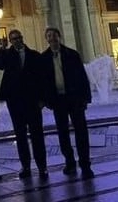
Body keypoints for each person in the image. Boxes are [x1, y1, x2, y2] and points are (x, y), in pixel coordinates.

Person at [0, 29, 48, 180]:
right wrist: (2, 48)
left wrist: (43, 99)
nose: (16, 41)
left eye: (18, 38)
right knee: (20, 135)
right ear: (10, 41)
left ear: (22, 38)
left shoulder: (34, 55)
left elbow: (42, 79)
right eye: (13, 39)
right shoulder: (7, 55)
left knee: (37, 135)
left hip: (33, 102)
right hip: (15, 102)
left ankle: (42, 166)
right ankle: (25, 166)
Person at [41, 27, 94, 179]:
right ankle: (70, 162)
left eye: (54, 35)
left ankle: (85, 165)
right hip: (58, 101)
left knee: (81, 133)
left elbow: (83, 78)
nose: (52, 38)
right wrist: (47, 100)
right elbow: (43, 82)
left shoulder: (72, 54)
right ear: (47, 39)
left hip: (75, 99)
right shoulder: (44, 58)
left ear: (59, 37)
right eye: (49, 35)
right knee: (63, 133)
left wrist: (86, 98)